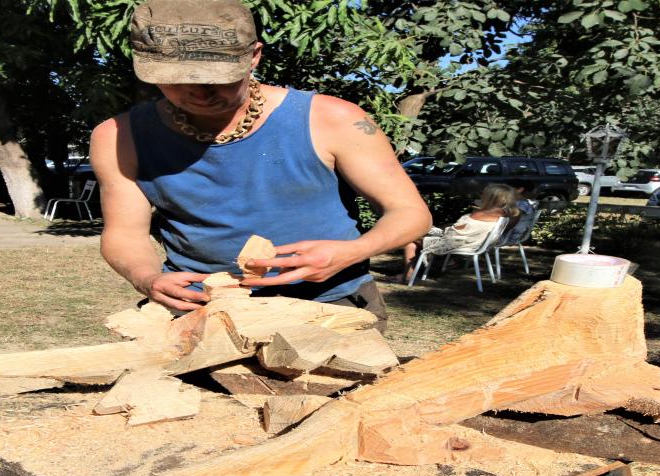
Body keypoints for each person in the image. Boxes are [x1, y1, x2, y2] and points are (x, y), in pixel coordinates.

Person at [90, 0, 430, 331]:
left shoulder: (333, 119)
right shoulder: (118, 137)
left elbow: (410, 214)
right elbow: (124, 234)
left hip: (328, 304)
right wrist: (147, 277)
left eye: (217, 79)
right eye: (177, 79)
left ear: (254, 56)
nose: (198, 92)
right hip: (201, 310)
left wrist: (351, 252)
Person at [401, 184, 519, 281]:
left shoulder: (480, 214)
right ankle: (416, 271)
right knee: (419, 237)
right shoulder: (507, 215)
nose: (481, 195)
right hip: (477, 244)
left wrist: (441, 229)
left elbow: (456, 230)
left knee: (410, 241)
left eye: (483, 193)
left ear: (490, 198)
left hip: (460, 243)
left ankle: (408, 275)